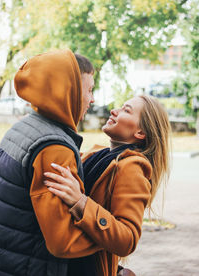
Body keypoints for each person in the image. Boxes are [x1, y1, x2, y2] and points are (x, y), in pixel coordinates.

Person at [43, 95, 171, 276]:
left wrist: (80, 202)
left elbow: (127, 239)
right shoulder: (97, 154)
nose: (114, 111)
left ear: (140, 133)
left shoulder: (132, 167)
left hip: (88, 269)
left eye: (126, 110)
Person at [0, 49, 95, 276]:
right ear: (67, 91)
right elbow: (63, 243)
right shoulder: (54, 149)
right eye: (89, 90)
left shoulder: (23, 127)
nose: (92, 99)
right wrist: (112, 236)